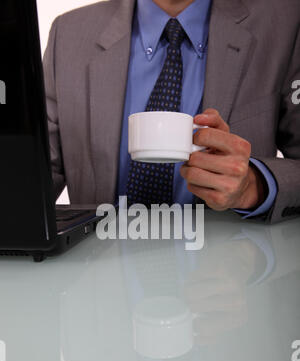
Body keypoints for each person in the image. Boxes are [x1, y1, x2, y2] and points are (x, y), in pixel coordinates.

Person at [43, 0, 300, 223]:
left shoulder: (285, 23)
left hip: (227, 270)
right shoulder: (69, 33)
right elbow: (34, 172)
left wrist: (256, 186)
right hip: (95, 266)